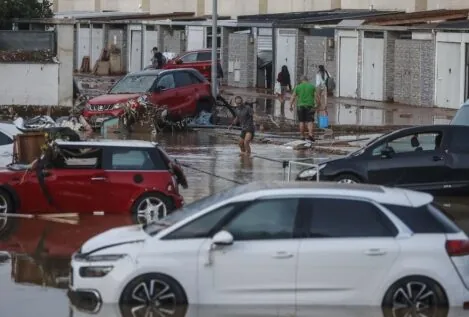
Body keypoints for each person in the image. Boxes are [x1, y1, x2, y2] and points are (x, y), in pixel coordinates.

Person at [290, 75, 316, 141]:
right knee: (310, 121)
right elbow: (317, 97)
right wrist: (318, 104)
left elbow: (293, 97)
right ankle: (310, 134)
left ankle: (302, 136)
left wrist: (290, 105)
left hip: (300, 106)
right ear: (307, 80)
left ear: (301, 80)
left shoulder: (297, 87)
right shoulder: (312, 86)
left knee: (301, 121)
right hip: (310, 106)